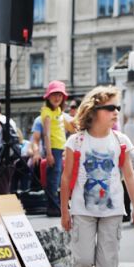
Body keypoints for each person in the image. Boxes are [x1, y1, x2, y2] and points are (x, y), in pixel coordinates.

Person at [60, 85, 134, 267]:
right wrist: (64, 211)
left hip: (112, 211)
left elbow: (129, 175)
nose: (116, 112)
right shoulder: (76, 141)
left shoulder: (120, 141)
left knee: (108, 262)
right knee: (84, 259)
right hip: (82, 210)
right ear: (95, 110)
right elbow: (65, 178)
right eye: (110, 108)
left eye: (117, 107)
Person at [41, 80, 73, 217]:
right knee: (53, 179)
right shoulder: (47, 112)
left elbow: (64, 127)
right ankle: (53, 207)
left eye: (60, 95)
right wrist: (49, 153)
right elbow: (46, 134)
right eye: (54, 95)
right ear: (48, 96)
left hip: (60, 149)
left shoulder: (59, 111)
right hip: (53, 149)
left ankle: (55, 205)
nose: (57, 98)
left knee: (56, 178)